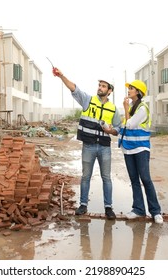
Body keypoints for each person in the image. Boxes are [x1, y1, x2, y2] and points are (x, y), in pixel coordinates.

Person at [52, 67, 121, 220]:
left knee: (106, 178)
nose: (100, 88)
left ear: (109, 91)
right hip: (88, 146)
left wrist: (110, 131)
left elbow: (118, 129)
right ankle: (83, 205)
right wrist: (61, 75)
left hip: (104, 147)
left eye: (104, 86)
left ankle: (108, 207)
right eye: (99, 85)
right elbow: (73, 88)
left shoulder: (113, 109)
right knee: (85, 176)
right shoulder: (88, 100)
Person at [118, 80, 163, 224]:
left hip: (141, 148)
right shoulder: (132, 108)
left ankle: (155, 211)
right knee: (134, 180)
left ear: (138, 91)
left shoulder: (142, 108)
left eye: (131, 88)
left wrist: (125, 108)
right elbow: (124, 126)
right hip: (128, 148)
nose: (129, 90)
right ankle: (138, 209)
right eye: (129, 88)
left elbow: (130, 124)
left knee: (145, 179)